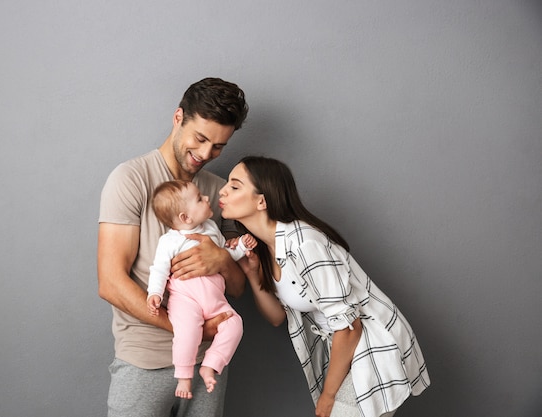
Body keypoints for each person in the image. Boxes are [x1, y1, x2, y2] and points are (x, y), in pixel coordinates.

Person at [218, 156, 430, 417]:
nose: (223, 191)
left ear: (262, 200)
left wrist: (328, 398)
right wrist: (252, 274)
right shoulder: (269, 247)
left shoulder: (305, 244)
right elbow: (276, 318)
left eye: (235, 186)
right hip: (343, 352)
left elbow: (350, 328)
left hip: (371, 346)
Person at [97, 77, 249, 417]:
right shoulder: (130, 179)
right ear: (178, 118)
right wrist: (187, 329)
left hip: (208, 362)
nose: (207, 154)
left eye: (219, 146)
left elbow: (238, 288)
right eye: (201, 138)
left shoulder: (219, 192)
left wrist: (222, 260)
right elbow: (110, 282)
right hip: (144, 362)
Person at [147, 180, 256, 399]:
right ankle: (184, 376)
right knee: (187, 332)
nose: (207, 198)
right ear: (185, 218)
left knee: (235, 324)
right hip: (186, 298)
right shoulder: (170, 241)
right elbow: (158, 269)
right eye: (199, 198)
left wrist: (241, 247)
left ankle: (212, 364)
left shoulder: (211, 229)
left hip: (215, 298)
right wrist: (155, 293)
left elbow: (224, 256)